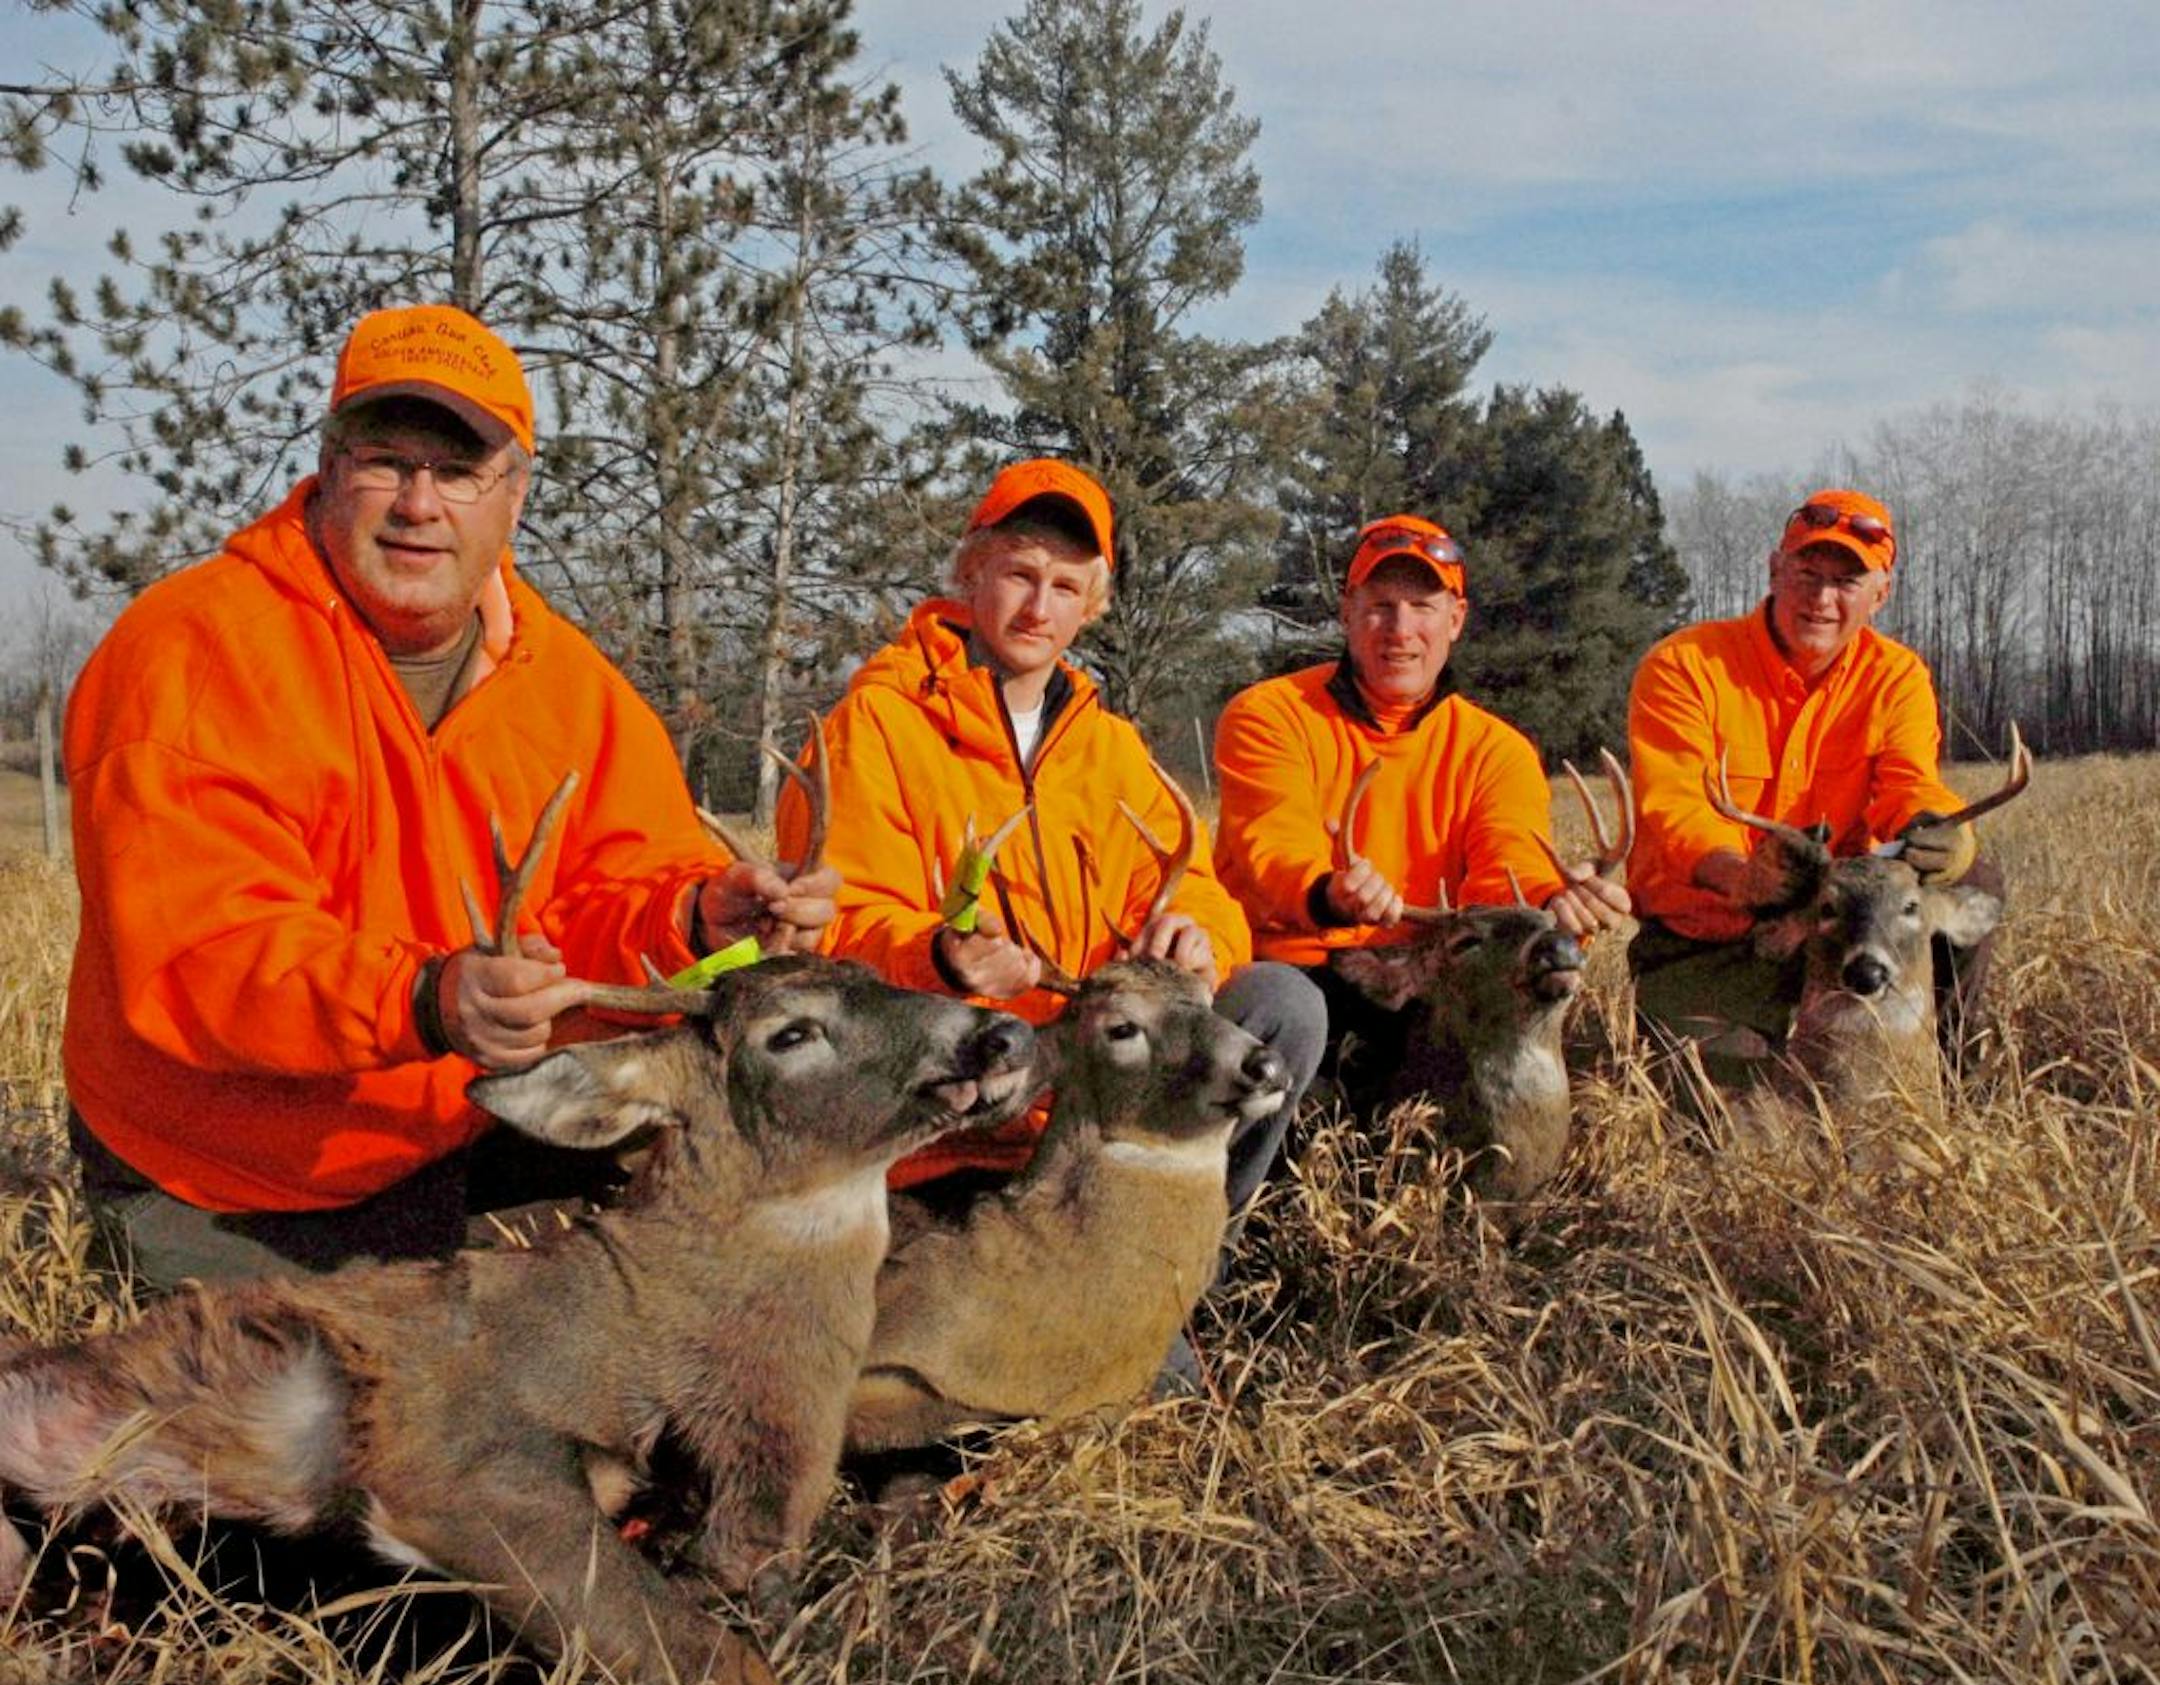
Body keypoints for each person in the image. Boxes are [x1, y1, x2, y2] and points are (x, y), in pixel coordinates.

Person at [63, 303, 838, 1290]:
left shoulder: (565, 684)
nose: (419, 504)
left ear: (513, 495)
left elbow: (620, 879)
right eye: (387, 460)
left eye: (460, 471)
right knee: (292, 1423)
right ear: (330, 469)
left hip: (464, 1121)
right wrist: (422, 1001)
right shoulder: (192, 654)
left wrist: (696, 910)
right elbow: (203, 958)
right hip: (227, 1168)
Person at [774, 458, 1322, 1217]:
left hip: (1094, 1099)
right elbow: (833, 924)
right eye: (1020, 575)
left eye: (1065, 586)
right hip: (946, 1120)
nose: (1039, 608)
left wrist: (1199, 936)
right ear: (971, 573)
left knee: (1283, 1001)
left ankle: (1193, 1256)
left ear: (1091, 605)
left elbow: (1198, 887)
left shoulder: (1110, 748)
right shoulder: (877, 727)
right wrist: (937, 956)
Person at [1213, 513, 1631, 1081]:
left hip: (1428, 983)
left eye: (1423, 608)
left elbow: (1508, 864)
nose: (1399, 629)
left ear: (1456, 620)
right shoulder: (1271, 714)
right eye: (1380, 605)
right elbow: (1272, 843)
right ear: (1347, 612)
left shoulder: (1495, 750)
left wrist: (1553, 905)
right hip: (1299, 970)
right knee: (1287, 1007)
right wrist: (1329, 892)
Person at [1625, 486, 1997, 1080]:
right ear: (1776, 569)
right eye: (1806, 572)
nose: (1821, 599)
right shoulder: (1687, 666)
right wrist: (1740, 875)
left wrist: (1940, 828)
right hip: (1713, 936)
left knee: (1970, 875)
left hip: (1845, 931)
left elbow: (1909, 782)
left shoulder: (1896, 678)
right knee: (1715, 1134)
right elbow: (1676, 807)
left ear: (1881, 594)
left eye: (1847, 582)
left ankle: (1948, 1082)